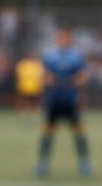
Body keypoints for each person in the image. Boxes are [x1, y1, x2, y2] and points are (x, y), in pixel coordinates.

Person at [33, 27, 93, 177]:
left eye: (65, 38)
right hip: (54, 100)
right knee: (48, 132)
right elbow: (43, 75)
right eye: (60, 37)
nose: (62, 40)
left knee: (79, 131)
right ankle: (43, 163)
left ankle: (84, 163)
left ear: (69, 39)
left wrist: (74, 81)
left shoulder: (76, 56)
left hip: (70, 100)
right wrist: (49, 80)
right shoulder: (50, 56)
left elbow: (84, 76)